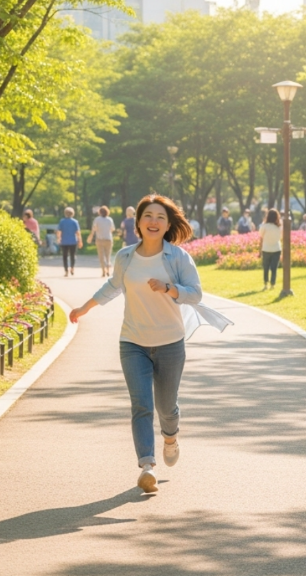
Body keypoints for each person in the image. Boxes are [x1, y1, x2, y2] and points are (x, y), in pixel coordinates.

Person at [68, 194, 232, 493]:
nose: (153, 221)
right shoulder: (126, 256)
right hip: (133, 342)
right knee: (141, 404)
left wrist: (169, 288)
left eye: (160, 217)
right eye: (148, 216)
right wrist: (84, 308)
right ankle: (147, 466)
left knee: (166, 407)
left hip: (170, 342)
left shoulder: (178, 257)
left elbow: (195, 294)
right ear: (138, 223)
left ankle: (171, 437)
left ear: (168, 225)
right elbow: (112, 286)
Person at [88, 205, 115, 277]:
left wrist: (91, 236)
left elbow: (94, 229)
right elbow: (112, 229)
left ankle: (103, 271)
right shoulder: (110, 219)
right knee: (108, 255)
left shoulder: (97, 219)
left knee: (101, 256)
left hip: (99, 239)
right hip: (108, 239)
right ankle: (108, 269)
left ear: (100, 212)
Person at [259, 208, 282, 290]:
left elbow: (261, 237)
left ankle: (265, 284)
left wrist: (259, 250)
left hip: (266, 249)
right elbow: (281, 237)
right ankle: (273, 284)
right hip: (276, 249)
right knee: (274, 268)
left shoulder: (264, 226)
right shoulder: (279, 227)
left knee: (266, 268)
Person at [56, 206, 82, 276]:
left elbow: (59, 231)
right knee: (72, 255)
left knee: (65, 256)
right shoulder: (75, 222)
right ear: (72, 214)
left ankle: (66, 271)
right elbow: (78, 233)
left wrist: (58, 239)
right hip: (73, 241)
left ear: (65, 213)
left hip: (64, 241)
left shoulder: (62, 221)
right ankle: (72, 268)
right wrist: (80, 241)